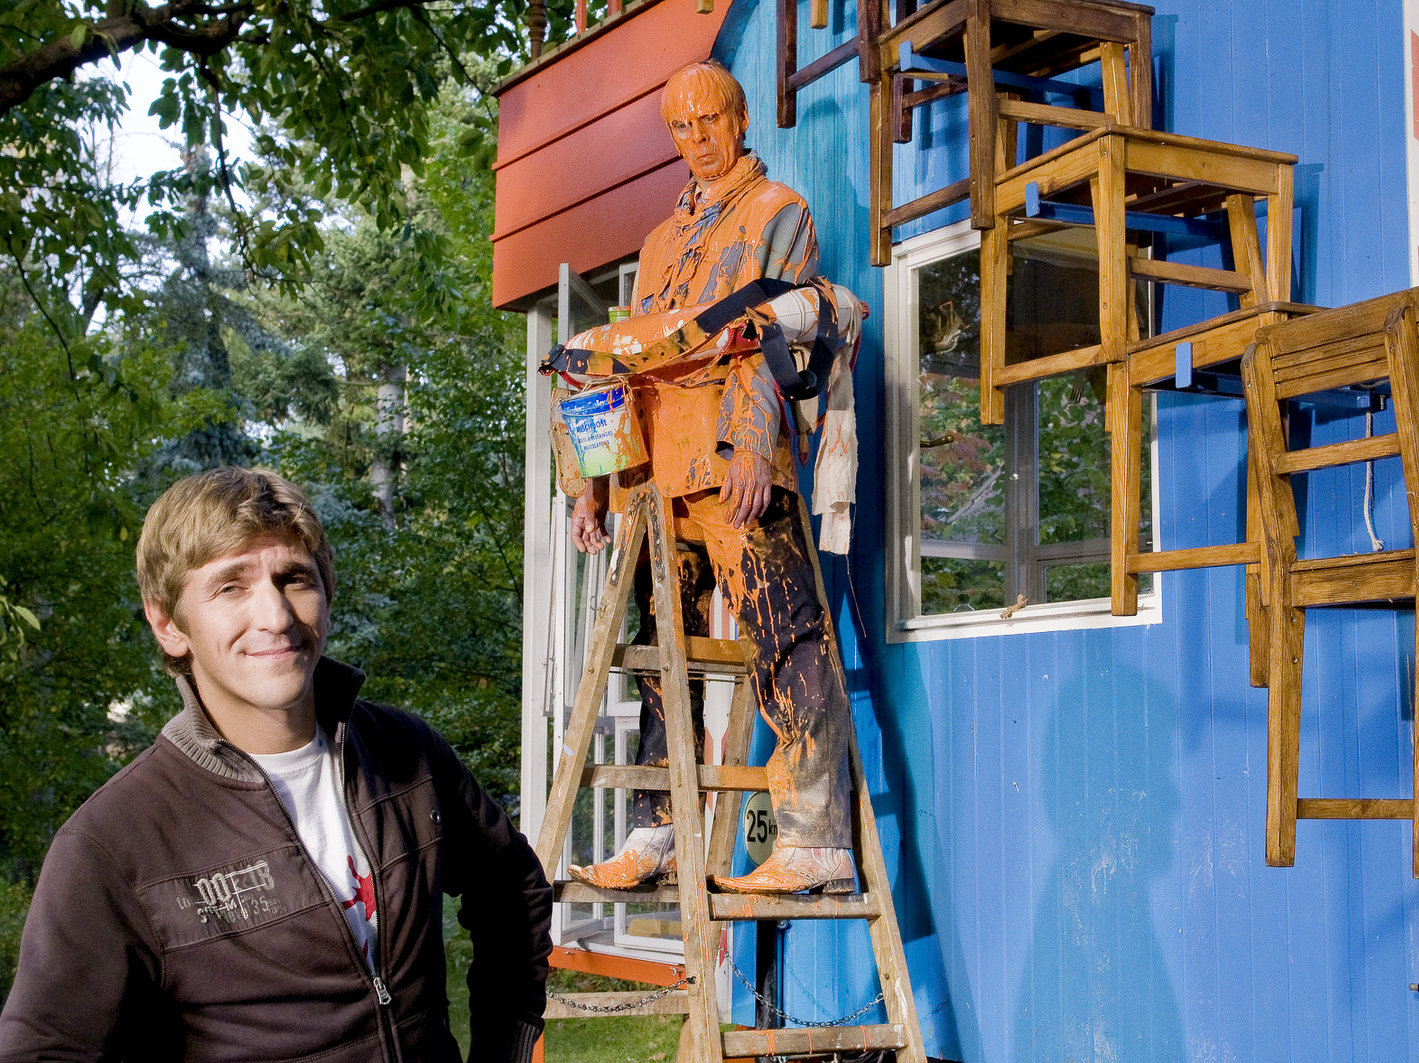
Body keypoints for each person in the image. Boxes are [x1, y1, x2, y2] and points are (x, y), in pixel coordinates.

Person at [0, 467, 551, 1062]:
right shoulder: (112, 843)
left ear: (327, 592)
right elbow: (45, 1049)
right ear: (168, 625)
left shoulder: (406, 753)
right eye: (229, 587)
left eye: (294, 578)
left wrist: (504, 1048)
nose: (277, 616)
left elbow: (512, 890)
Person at [566, 60, 855, 896]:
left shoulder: (779, 211)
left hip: (734, 462)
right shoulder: (658, 243)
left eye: (709, 122)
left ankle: (815, 837)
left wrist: (754, 446)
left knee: (786, 632)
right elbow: (624, 360)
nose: (697, 140)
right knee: (662, 656)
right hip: (654, 472)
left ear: (740, 120)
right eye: (682, 128)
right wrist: (594, 482)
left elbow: (775, 332)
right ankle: (657, 829)